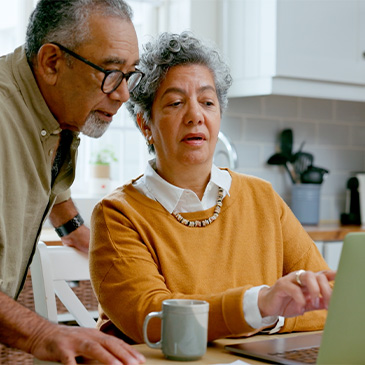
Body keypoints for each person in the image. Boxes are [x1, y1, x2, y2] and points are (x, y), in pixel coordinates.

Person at [89, 31, 336, 345]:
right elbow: (152, 320)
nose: (195, 116)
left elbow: (329, 303)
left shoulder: (262, 198)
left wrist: (271, 317)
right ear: (145, 124)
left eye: (207, 102)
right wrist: (260, 306)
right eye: (176, 103)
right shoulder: (118, 215)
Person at [0, 0, 145, 363]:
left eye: (130, 74)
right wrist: (42, 333)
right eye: (111, 72)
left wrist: (76, 232)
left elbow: (53, 185)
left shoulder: (59, 112)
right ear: (52, 62)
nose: (123, 94)